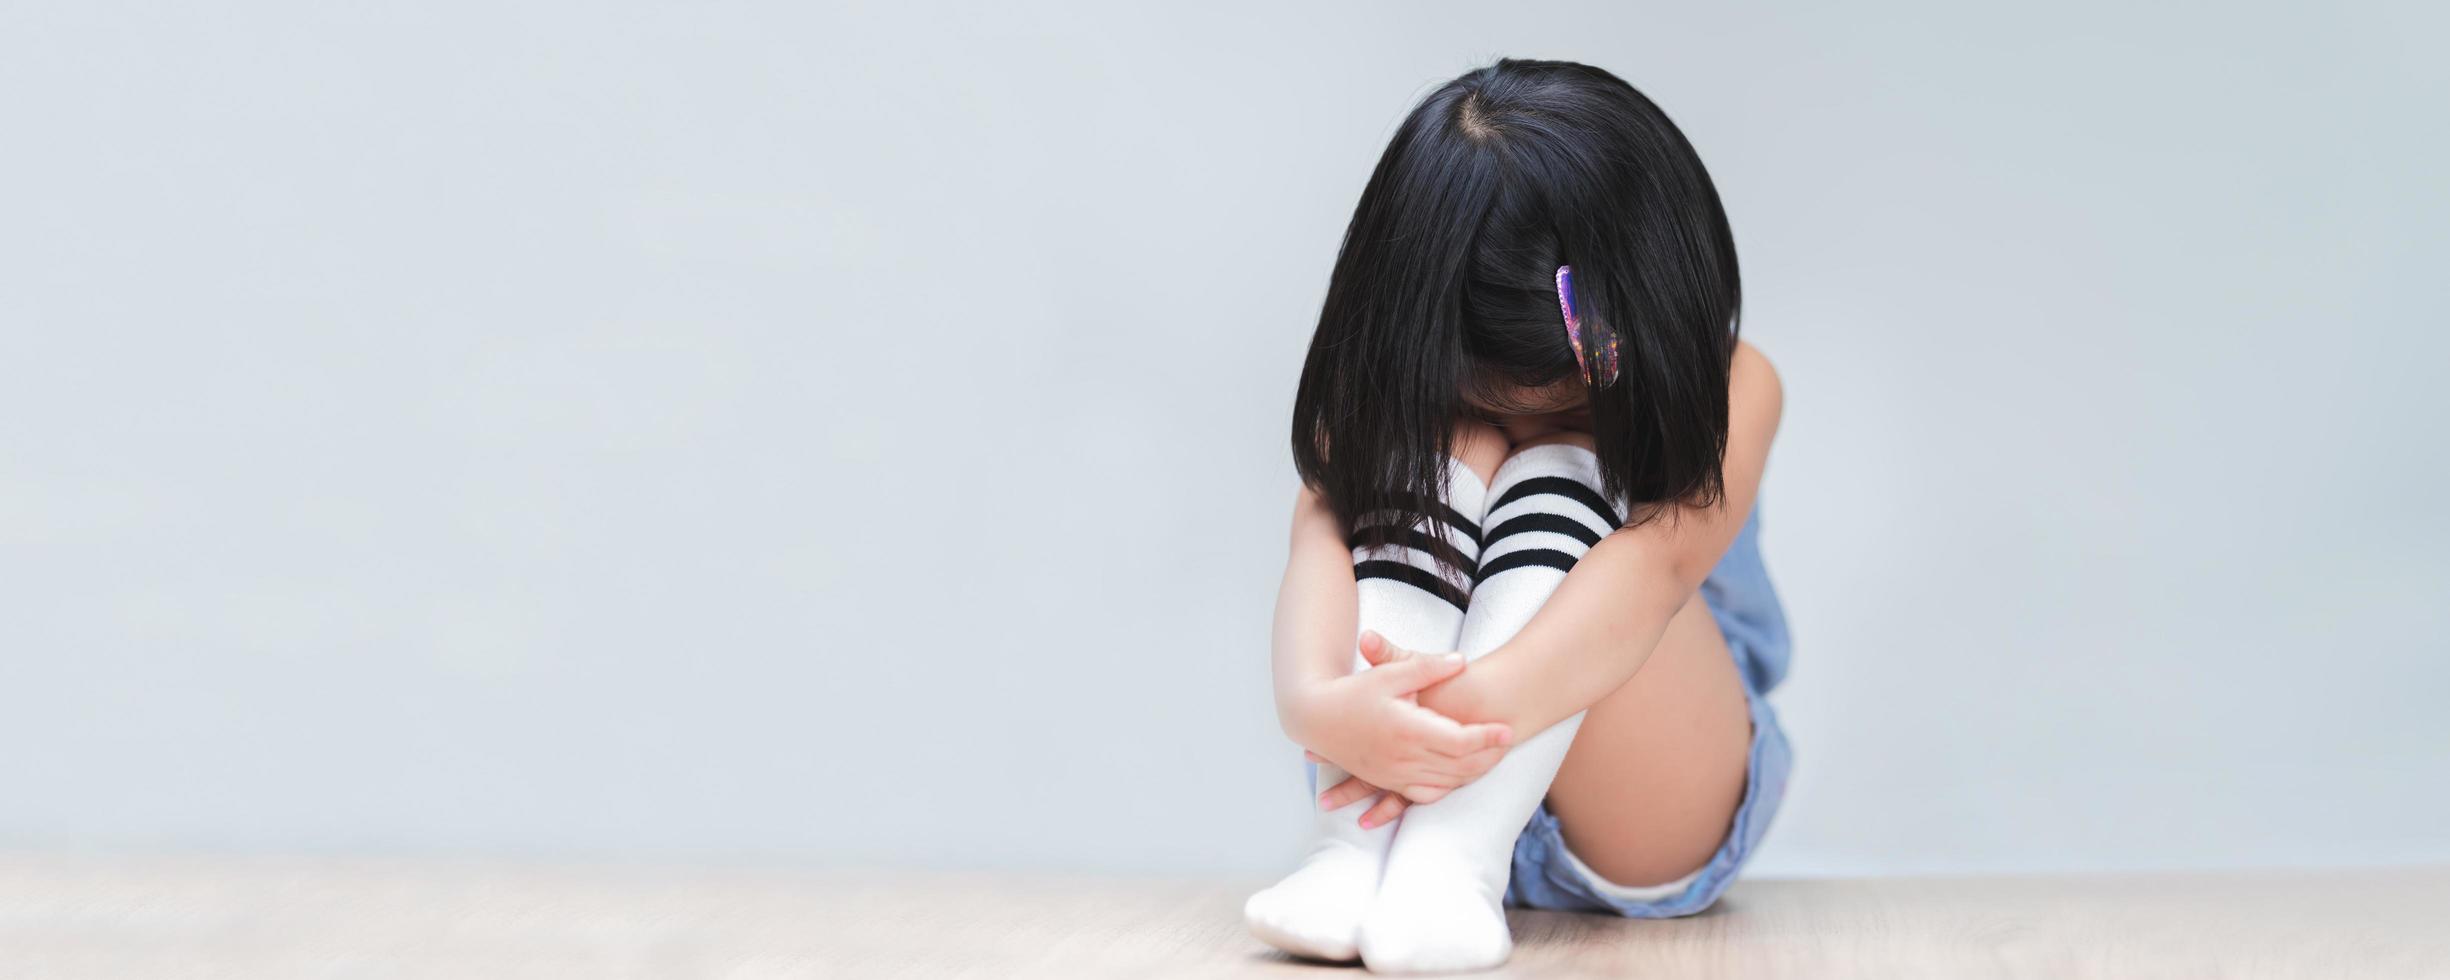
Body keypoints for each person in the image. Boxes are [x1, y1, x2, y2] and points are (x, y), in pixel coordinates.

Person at [1244, 57, 1794, 974]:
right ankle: (1349, 865)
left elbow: (1654, 574)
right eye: (1492, 402)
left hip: (1646, 787)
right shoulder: (1388, 369)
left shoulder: (1741, 384)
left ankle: (1454, 862)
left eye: (1560, 398)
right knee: (1432, 449)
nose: (1516, 427)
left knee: (1567, 469)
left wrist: (1451, 714)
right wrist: (1317, 704)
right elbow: (1319, 535)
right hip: (1402, 771)